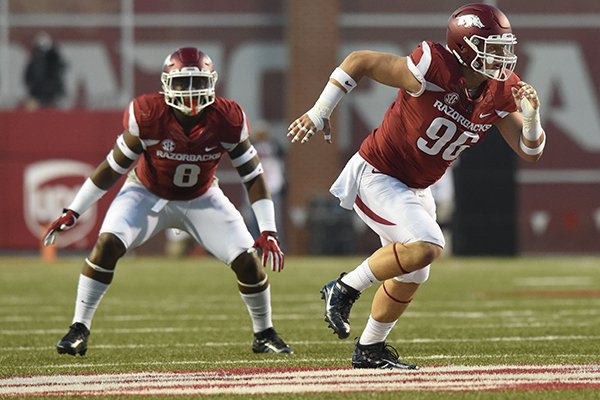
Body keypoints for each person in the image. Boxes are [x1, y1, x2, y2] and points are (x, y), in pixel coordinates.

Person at [288, 3, 545, 369]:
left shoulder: (501, 89)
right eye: (492, 46)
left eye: (505, 46)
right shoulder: (432, 66)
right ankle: (343, 289)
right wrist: (319, 111)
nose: (502, 57)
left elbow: (529, 150)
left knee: (415, 270)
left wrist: (533, 119)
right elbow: (359, 60)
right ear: (465, 47)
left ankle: (369, 350)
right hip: (378, 172)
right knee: (427, 246)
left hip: (417, 186)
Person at [43, 47, 292, 356]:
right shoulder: (149, 115)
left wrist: (268, 229)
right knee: (107, 245)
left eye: (197, 82)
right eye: (183, 83)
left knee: (248, 261)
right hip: (146, 192)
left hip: (202, 197)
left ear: (212, 83)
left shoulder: (227, 118)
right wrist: (74, 210)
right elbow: (111, 169)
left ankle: (264, 333)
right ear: (166, 85)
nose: (190, 92)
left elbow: (253, 176)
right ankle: (78, 328)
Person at [242, 121, 287, 247]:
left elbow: (281, 165)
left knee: (274, 221)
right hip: (254, 188)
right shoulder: (251, 146)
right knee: (253, 221)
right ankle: (257, 248)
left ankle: (277, 247)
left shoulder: (274, 147)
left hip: (272, 187)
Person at [23, 31, 67, 110]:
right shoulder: (34, 60)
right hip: (37, 95)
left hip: (51, 96)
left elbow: (60, 71)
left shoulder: (54, 59)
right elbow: (28, 77)